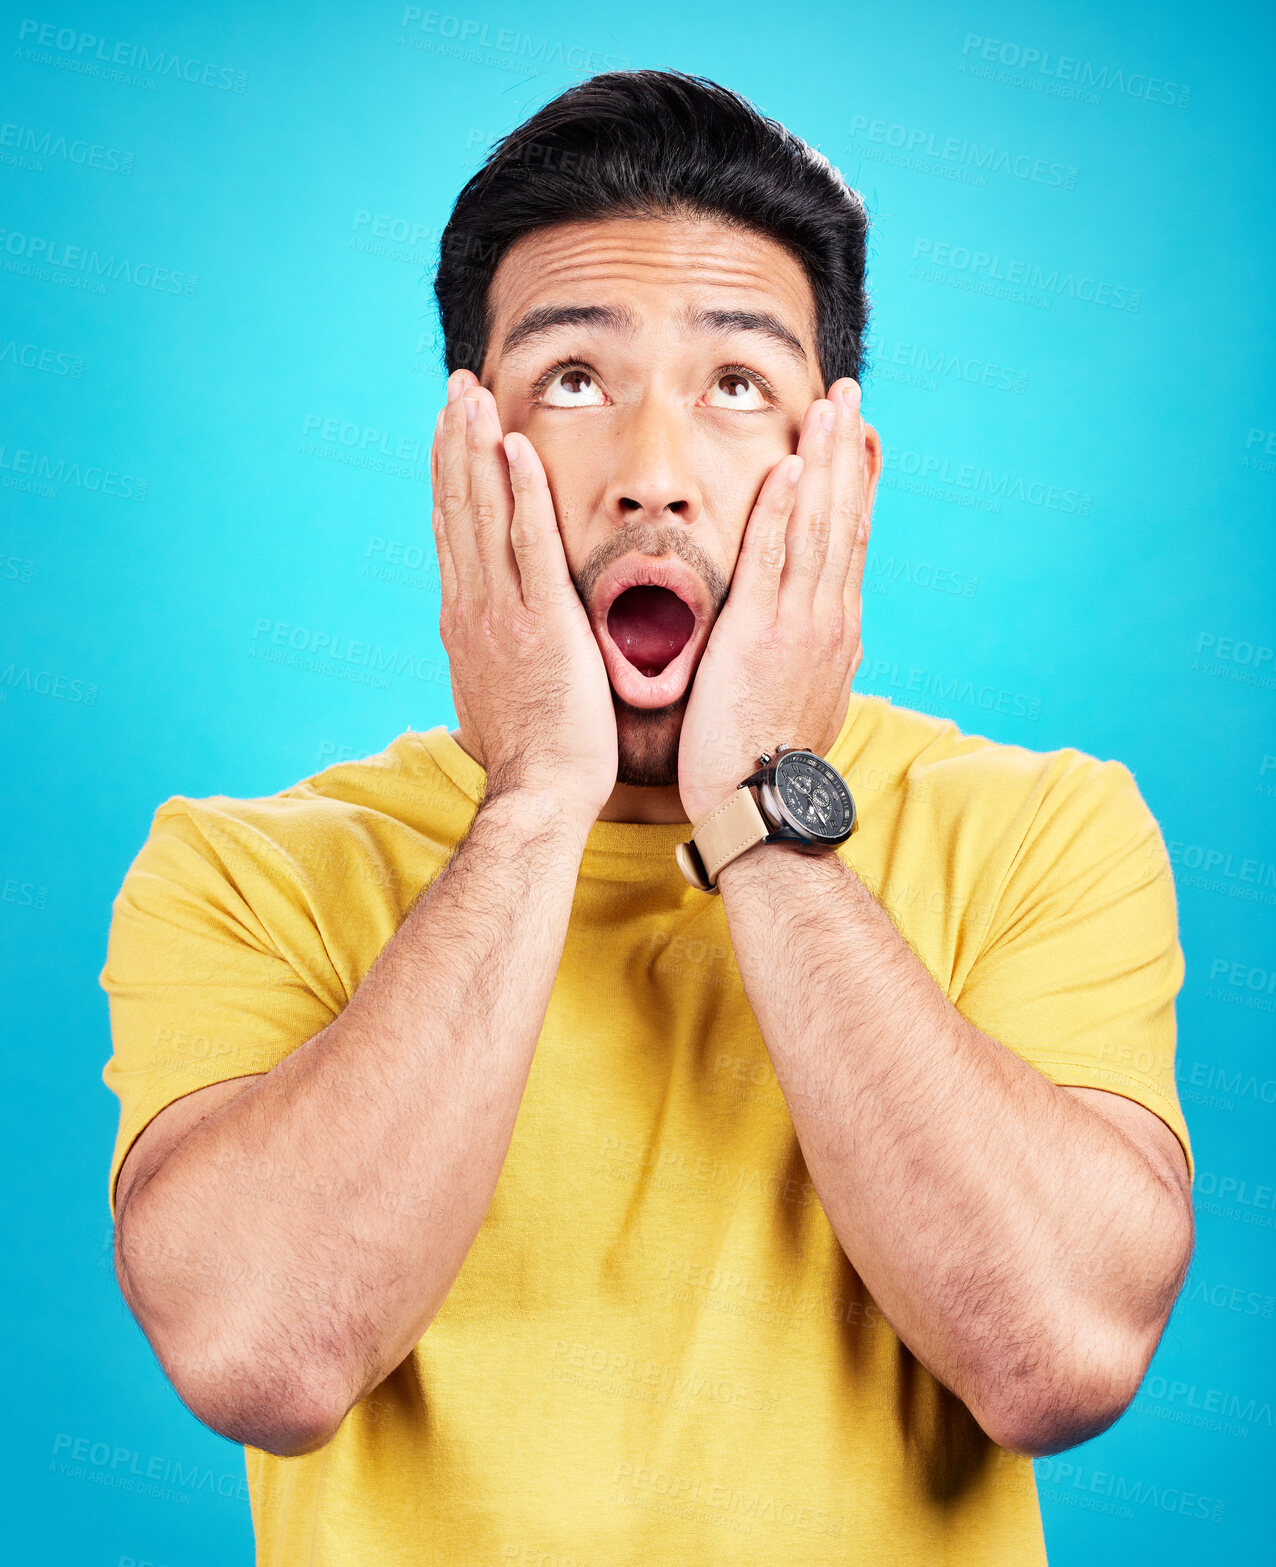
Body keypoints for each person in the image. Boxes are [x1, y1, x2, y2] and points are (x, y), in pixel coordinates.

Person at [100, 69, 1193, 1566]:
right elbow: (262, 1358)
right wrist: (540, 792)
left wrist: (760, 804)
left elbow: (1059, 1360)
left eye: (740, 385)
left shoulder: (1047, 832)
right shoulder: (245, 872)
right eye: (572, 380)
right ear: (464, 467)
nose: (655, 479)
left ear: (842, 480)